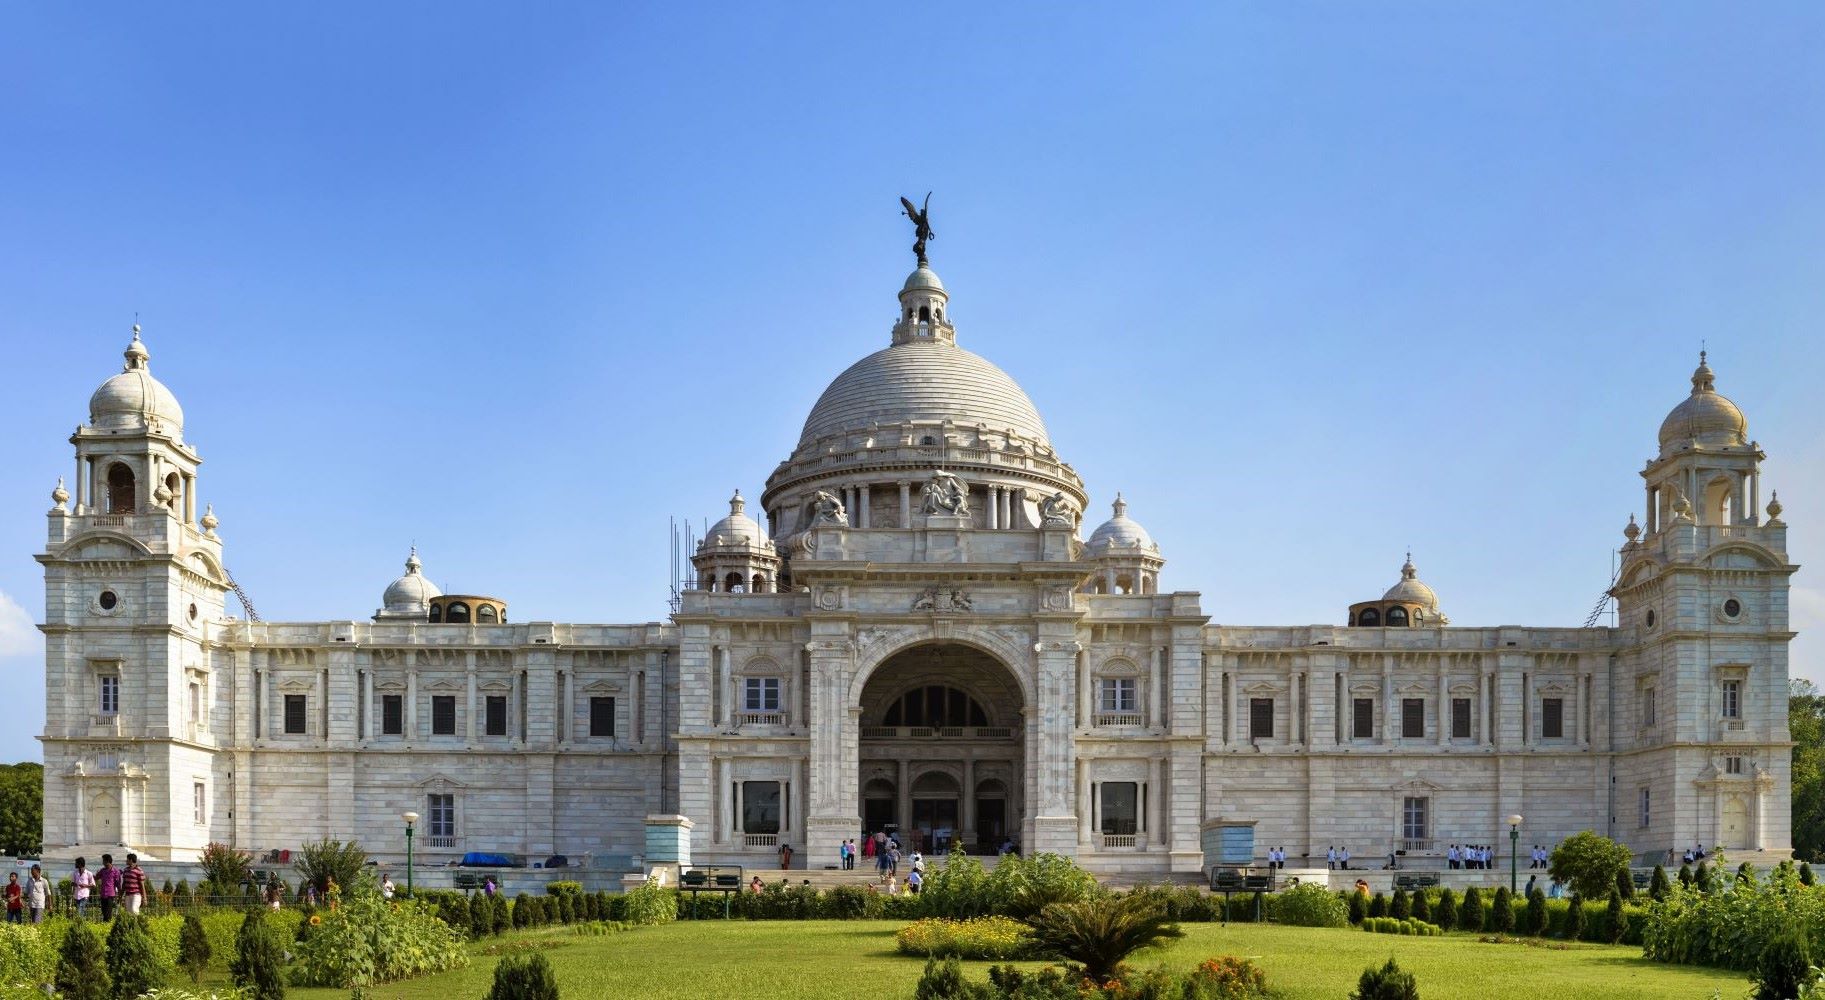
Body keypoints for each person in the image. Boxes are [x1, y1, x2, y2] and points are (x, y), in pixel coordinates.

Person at [97, 854, 120, 921]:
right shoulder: (102, 870)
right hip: (103, 894)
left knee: (108, 912)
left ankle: (108, 924)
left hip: (110, 894)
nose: (102, 863)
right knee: (104, 911)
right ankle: (105, 925)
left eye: (103, 861)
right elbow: (96, 877)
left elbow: (118, 884)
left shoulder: (115, 871)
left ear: (107, 861)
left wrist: (119, 895)